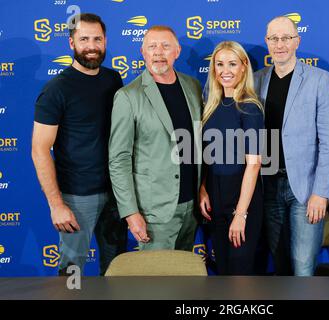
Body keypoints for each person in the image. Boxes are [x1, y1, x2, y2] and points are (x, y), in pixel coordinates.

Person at [32, 13, 127, 276]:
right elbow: (39, 149)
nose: (92, 45)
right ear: (71, 43)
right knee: (72, 270)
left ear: (106, 41)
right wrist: (56, 205)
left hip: (117, 192)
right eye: (84, 39)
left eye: (97, 38)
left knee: (117, 268)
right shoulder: (56, 90)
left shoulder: (113, 79)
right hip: (77, 196)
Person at [254, 16, 329, 276]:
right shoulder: (255, 80)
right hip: (267, 185)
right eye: (274, 39)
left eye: (286, 38)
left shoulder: (318, 79)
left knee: (303, 266)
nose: (280, 44)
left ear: (297, 41)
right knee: (279, 263)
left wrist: (321, 192)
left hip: (305, 189)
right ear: (267, 42)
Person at [109, 26, 202, 251]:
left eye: (165, 46)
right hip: (154, 212)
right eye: (152, 46)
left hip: (192, 207)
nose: (158, 52)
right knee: (156, 283)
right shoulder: (128, 97)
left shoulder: (192, 86)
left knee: (185, 280)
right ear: (143, 52)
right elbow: (118, 160)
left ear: (177, 51)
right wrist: (131, 213)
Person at [199, 41, 264, 275]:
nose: (225, 70)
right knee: (224, 270)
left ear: (244, 67)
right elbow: (210, 154)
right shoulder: (211, 107)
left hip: (242, 196)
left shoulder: (250, 108)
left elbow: (254, 164)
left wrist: (240, 214)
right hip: (216, 196)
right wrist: (204, 188)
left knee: (239, 273)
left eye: (232, 64)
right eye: (220, 64)